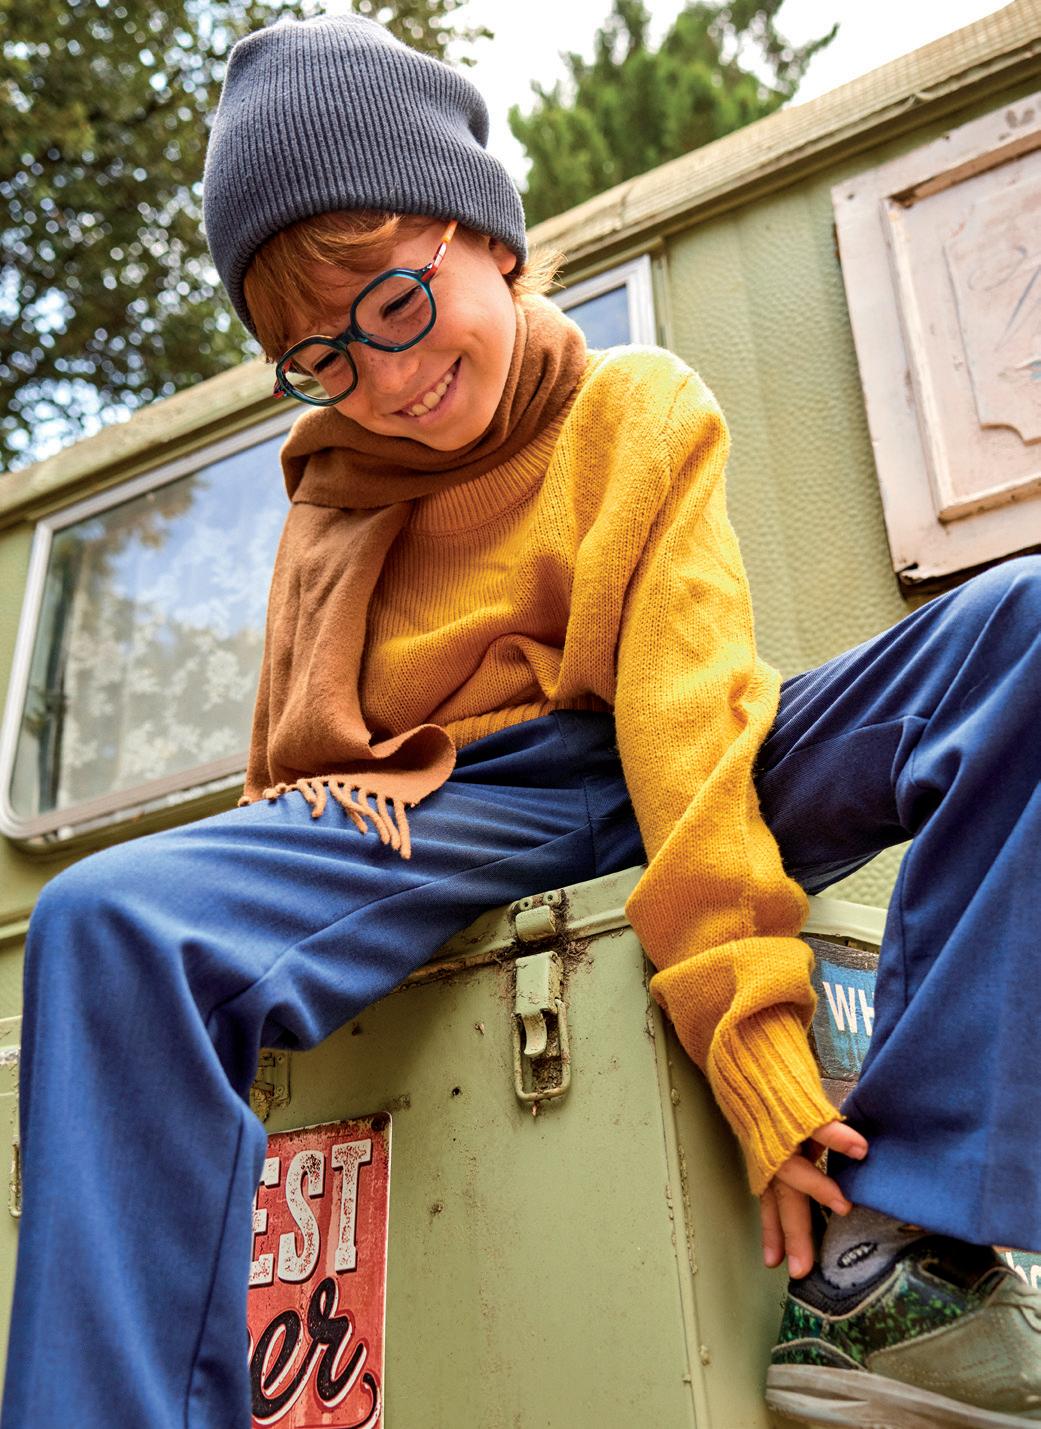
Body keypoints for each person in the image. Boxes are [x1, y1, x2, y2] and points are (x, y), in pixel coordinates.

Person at [3, 13, 1041, 1428]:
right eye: (320, 357)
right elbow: (293, 782)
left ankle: (898, 1245)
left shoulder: (633, 409)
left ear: (485, 234)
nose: (383, 379)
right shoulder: (334, 499)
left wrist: (757, 1052)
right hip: (454, 803)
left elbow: (689, 733)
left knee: (1021, 630)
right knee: (100, 921)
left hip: (684, 743)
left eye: (395, 301)